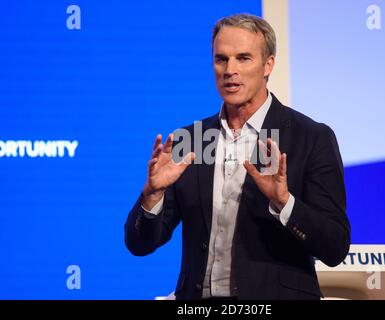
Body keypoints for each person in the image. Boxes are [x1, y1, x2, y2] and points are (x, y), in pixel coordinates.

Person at [125, 13, 350, 300]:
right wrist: (152, 195)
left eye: (243, 58)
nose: (230, 70)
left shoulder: (310, 137)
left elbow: (336, 247)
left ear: (268, 65)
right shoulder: (191, 140)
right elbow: (139, 244)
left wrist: (284, 203)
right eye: (221, 59)